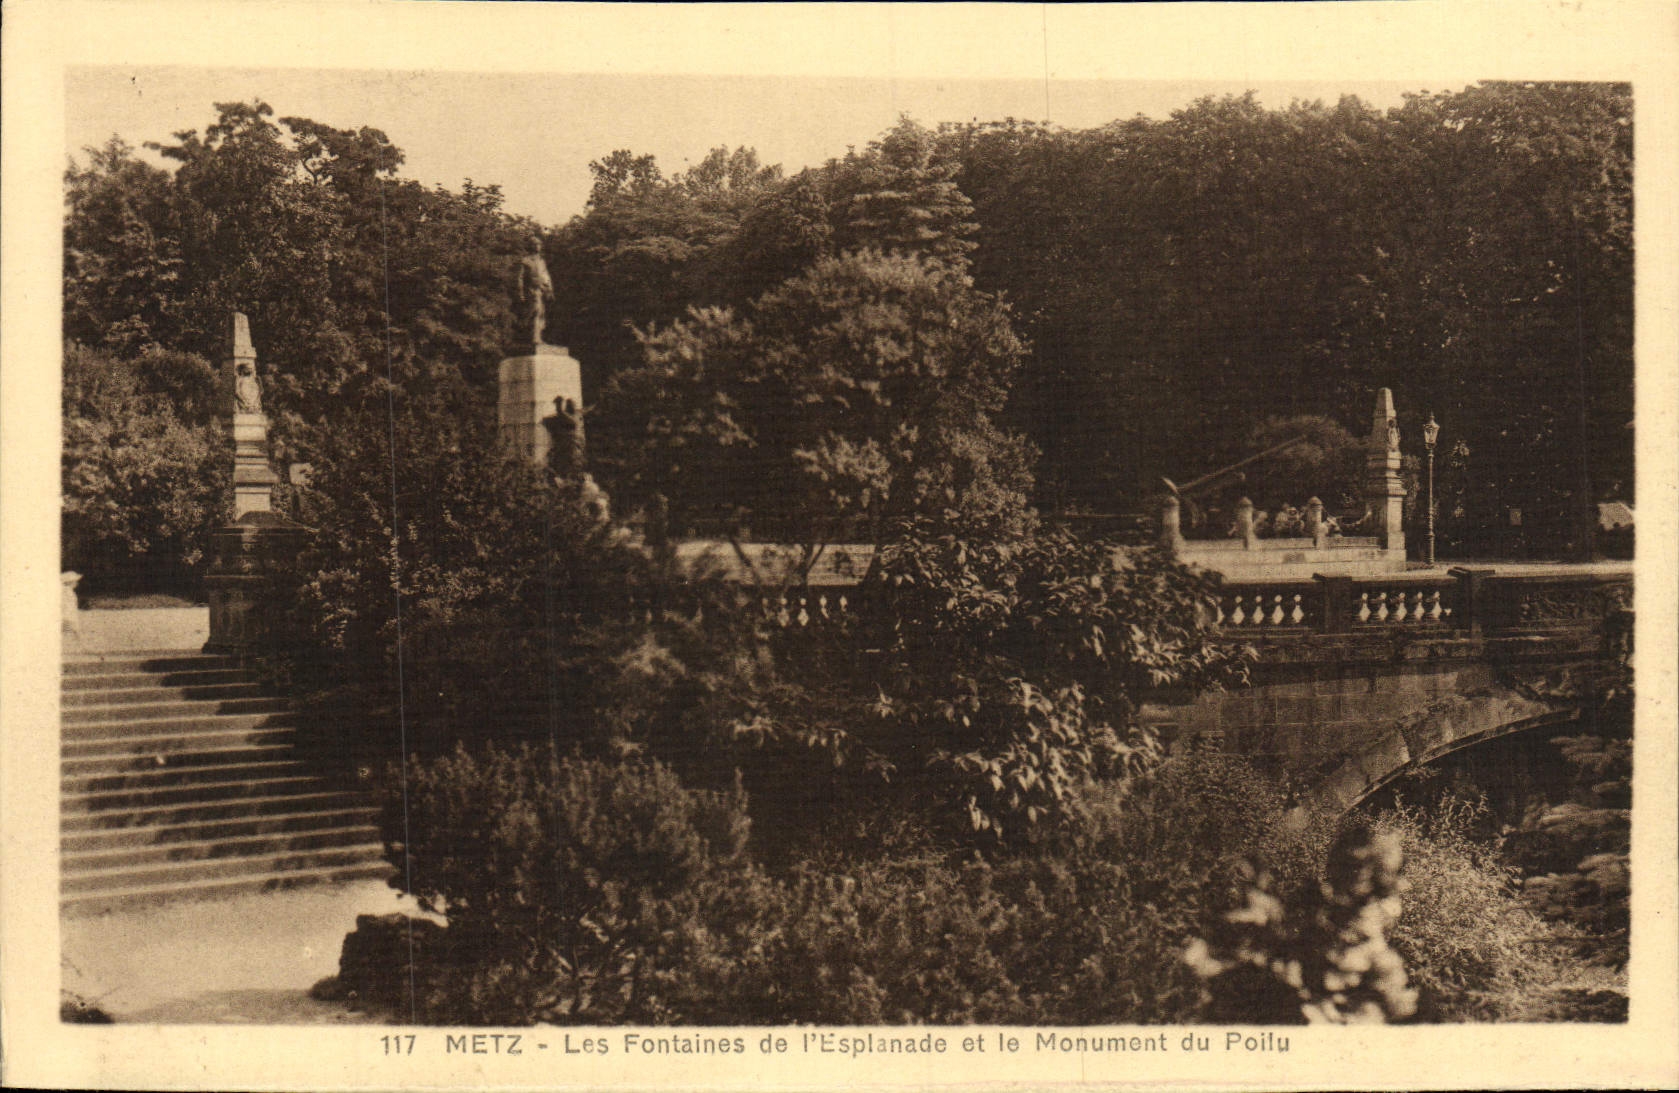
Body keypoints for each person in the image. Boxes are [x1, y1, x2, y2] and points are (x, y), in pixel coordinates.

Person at [514, 234, 555, 351]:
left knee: (541, 313)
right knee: (535, 311)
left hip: (543, 290)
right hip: (532, 290)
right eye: (536, 244)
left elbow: (546, 276)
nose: (538, 246)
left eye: (539, 244)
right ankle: (534, 337)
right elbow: (520, 278)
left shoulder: (542, 261)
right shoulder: (525, 260)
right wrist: (520, 292)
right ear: (531, 246)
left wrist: (550, 289)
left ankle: (538, 336)